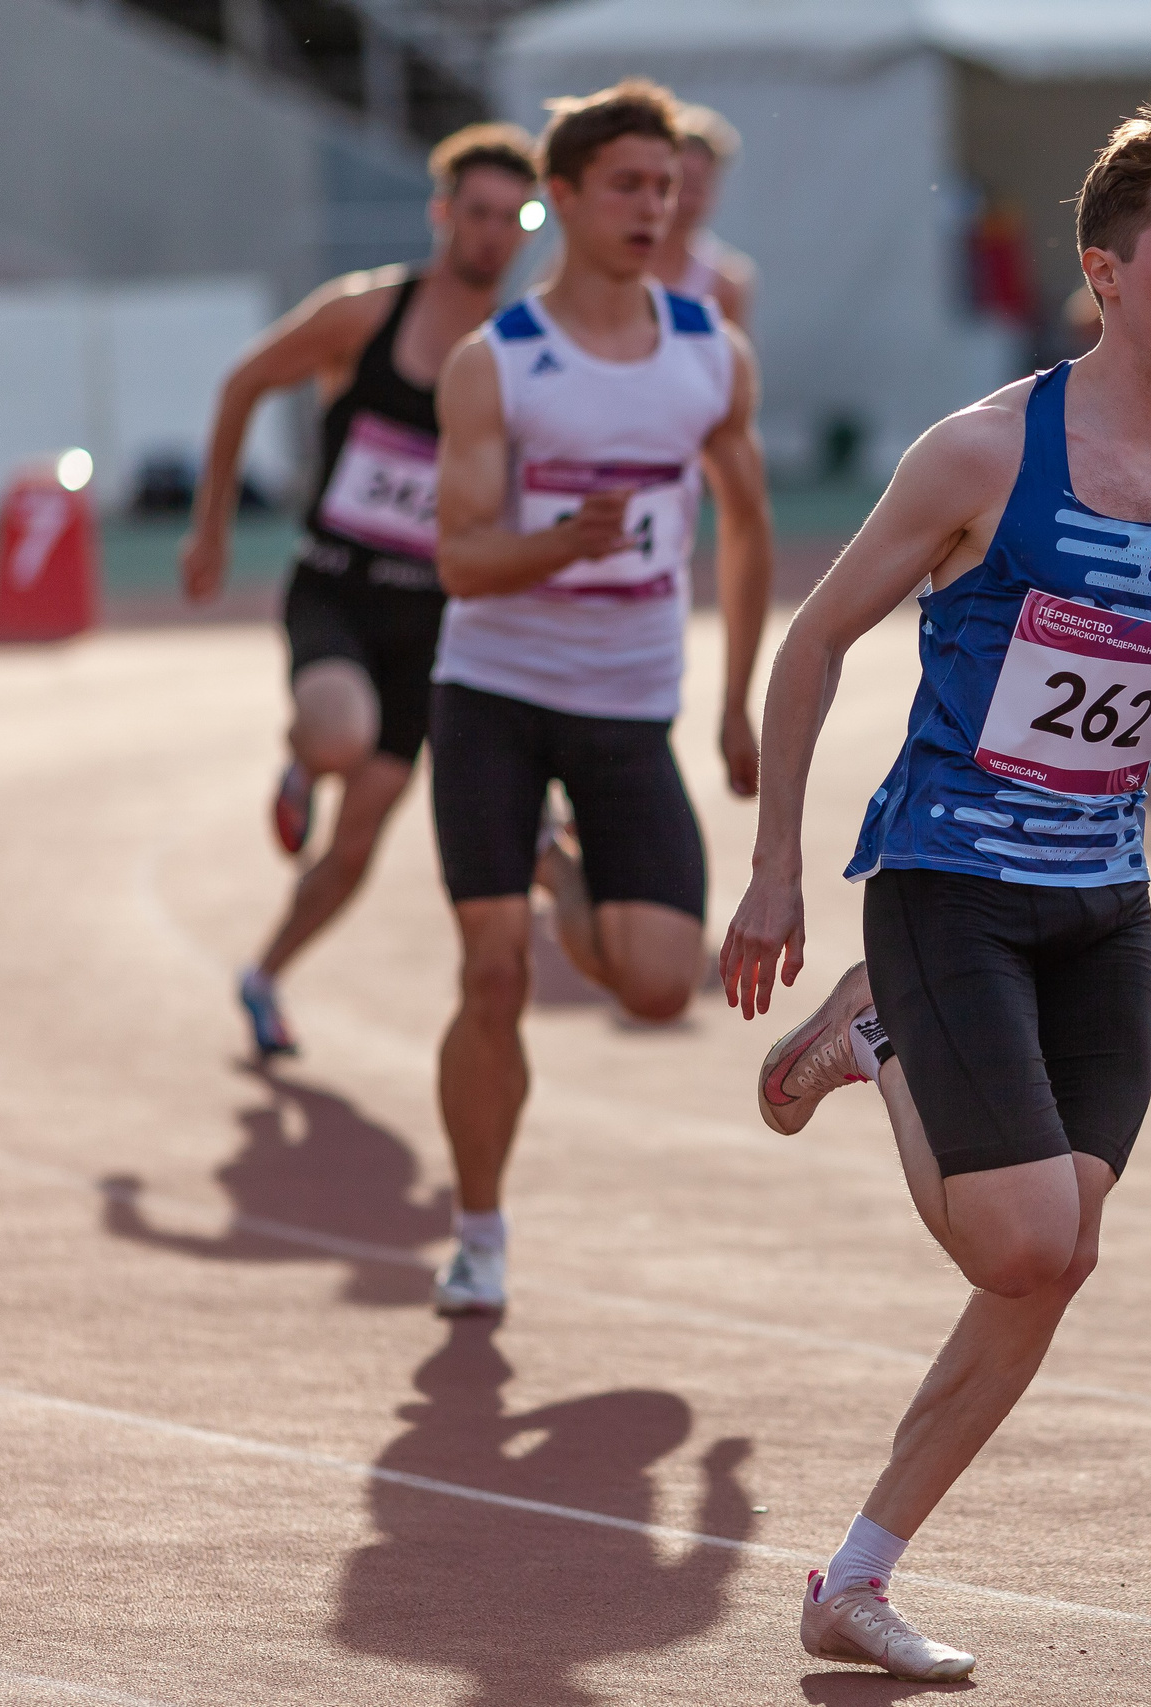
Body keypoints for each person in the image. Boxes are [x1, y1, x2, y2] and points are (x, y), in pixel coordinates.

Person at [719, 109, 1151, 1682]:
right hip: (949, 886)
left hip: (1100, 911)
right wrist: (780, 864)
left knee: (1056, 1253)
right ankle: (876, 1038)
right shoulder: (985, 453)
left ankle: (854, 1577)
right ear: (1104, 274)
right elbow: (814, 642)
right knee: (1019, 1237)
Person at [427, 79, 772, 1317]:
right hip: (495, 697)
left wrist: (737, 699)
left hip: (631, 705)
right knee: (493, 977)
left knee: (653, 985)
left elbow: (744, 526)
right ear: (559, 199)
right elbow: (461, 560)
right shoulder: (497, 365)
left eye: (665, 186)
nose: (651, 207)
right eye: (625, 185)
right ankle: (477, 1232)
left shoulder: (706, 352)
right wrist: (562, 545)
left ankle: (558, 868)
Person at [181, 125, 541, 1059]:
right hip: (336, 589)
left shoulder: (522, 349)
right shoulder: (363, 315)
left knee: (354, 848)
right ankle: (304, 758)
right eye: (477, 214)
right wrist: (211, 523)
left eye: (513, 218)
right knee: (339, 732)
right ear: (441, 215)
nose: (493, 235)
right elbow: (243, 382)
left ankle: (263, 974)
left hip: (434, 622)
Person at [645, 103, 757, 329]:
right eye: (680, 183)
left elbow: (732, 361)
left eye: (699, 185)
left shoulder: (727, 282)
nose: (686, 199)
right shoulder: (607, 259)